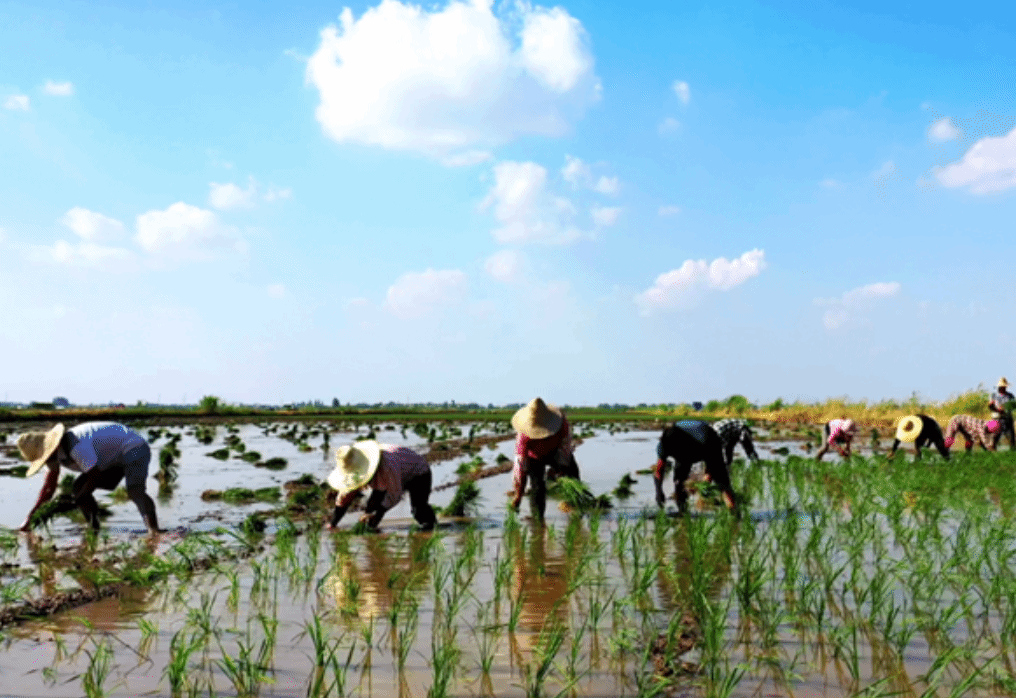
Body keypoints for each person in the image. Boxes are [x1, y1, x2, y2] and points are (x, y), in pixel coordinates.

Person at [17, 422, 160, 533]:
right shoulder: (54, 456)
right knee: (78, 488)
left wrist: (78, 499)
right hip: (112, 459)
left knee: (135, 491)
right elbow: (49, 488)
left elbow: (95, 475)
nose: (46, 461)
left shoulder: (75, 446)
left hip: (133, 447)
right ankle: (94, 529)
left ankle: (154, 531)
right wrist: (30, 518)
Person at [327, 440, 436, 531]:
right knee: (370, 507)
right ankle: (370, 533)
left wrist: (377, 513)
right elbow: (345, 496)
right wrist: (333, 524)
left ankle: (431, 528)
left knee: (419, 511)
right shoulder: (354, 470)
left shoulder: (387, 465)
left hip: (418, 473)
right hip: (389, 475)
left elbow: (394, 495)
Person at [510, 397, 580, 520]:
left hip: (555, 452)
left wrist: (560, 470)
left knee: (573, 474)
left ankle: (576, 507)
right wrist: (518, 495)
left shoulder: (561, 424)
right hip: (534, 458)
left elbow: (565, 447)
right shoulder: (523, 437)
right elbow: (520, 467)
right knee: (537, 487)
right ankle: (538, 520)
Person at [654, 420, 738, 513]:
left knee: (722, 481)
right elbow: (659, 470)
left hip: (708, 440)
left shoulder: (704, 441)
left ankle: (734, 512)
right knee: (679, 481)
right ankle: (682, 512)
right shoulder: (664, 445)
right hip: (690, 441)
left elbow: (713, 465)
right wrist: (659, 491)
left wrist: (706, 480)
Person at [886, 415, 950, 460]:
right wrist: (893, 451)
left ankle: (949, 460)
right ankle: (918, 462)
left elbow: (930, 437)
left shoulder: (922, 425)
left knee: (940, 447)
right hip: (923, 429)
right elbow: (898, 439)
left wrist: (928, 445)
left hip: (933, 427)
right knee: (918, 447)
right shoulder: (907, 424)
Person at [990, 378, 1015, 449]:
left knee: (1011, 434)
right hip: (998, 418)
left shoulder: (1010, 396)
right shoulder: (994, 395)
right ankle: (992, 448)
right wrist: (997, 409)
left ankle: (1012, 448)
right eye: (1001, 387)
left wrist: (1007, 408)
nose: (1003, 388)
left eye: (1004, 387)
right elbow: (991, 407)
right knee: (997, 434)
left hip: (1008, 417)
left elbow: (1013, 406)